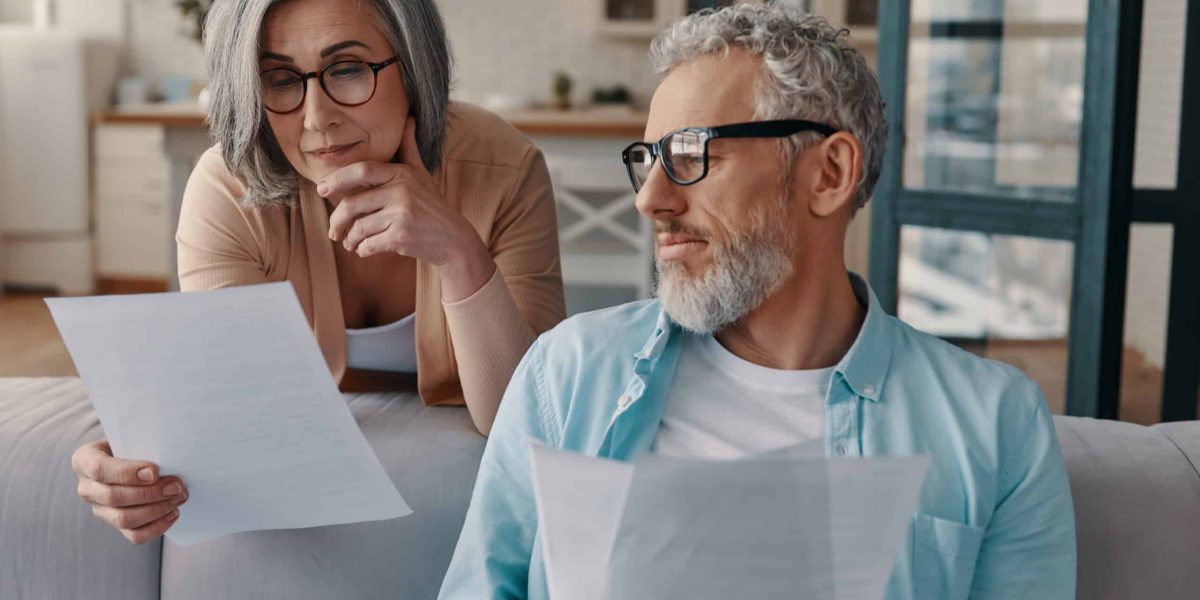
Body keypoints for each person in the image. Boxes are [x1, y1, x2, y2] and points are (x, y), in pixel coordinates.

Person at [439, 5, 1075, 599]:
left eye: (689, 154)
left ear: (828, 175)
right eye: (649, 159)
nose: (649, 199)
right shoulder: (566, 376)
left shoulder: (995, 423)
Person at [71, 0, 564, 545]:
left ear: (415, 65)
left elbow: (523, 425)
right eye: (280, 79)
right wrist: (130, 459)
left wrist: (458, 252)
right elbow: (228, 413)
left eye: (348, 69)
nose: (315, 118)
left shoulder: (505, 167)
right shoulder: (229, 190)